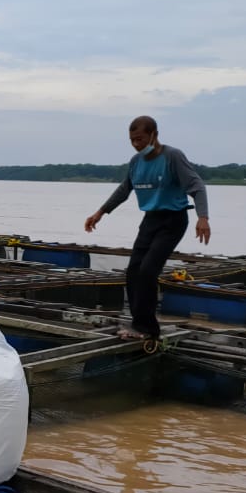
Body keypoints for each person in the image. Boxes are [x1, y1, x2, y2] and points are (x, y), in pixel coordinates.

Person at [85, 116, 211, 341]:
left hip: (173, 220)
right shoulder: (136, 162)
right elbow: (125, 189)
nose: (136, 144)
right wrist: (100, 213)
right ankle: (138, 323)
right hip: (150, 220)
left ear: (154, 134)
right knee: (133, 271)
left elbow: (197, 186)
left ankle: (148, 328)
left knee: (148, 270)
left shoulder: (172, 156)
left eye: (140, 139)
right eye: (132, 140)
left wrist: (203, 217)